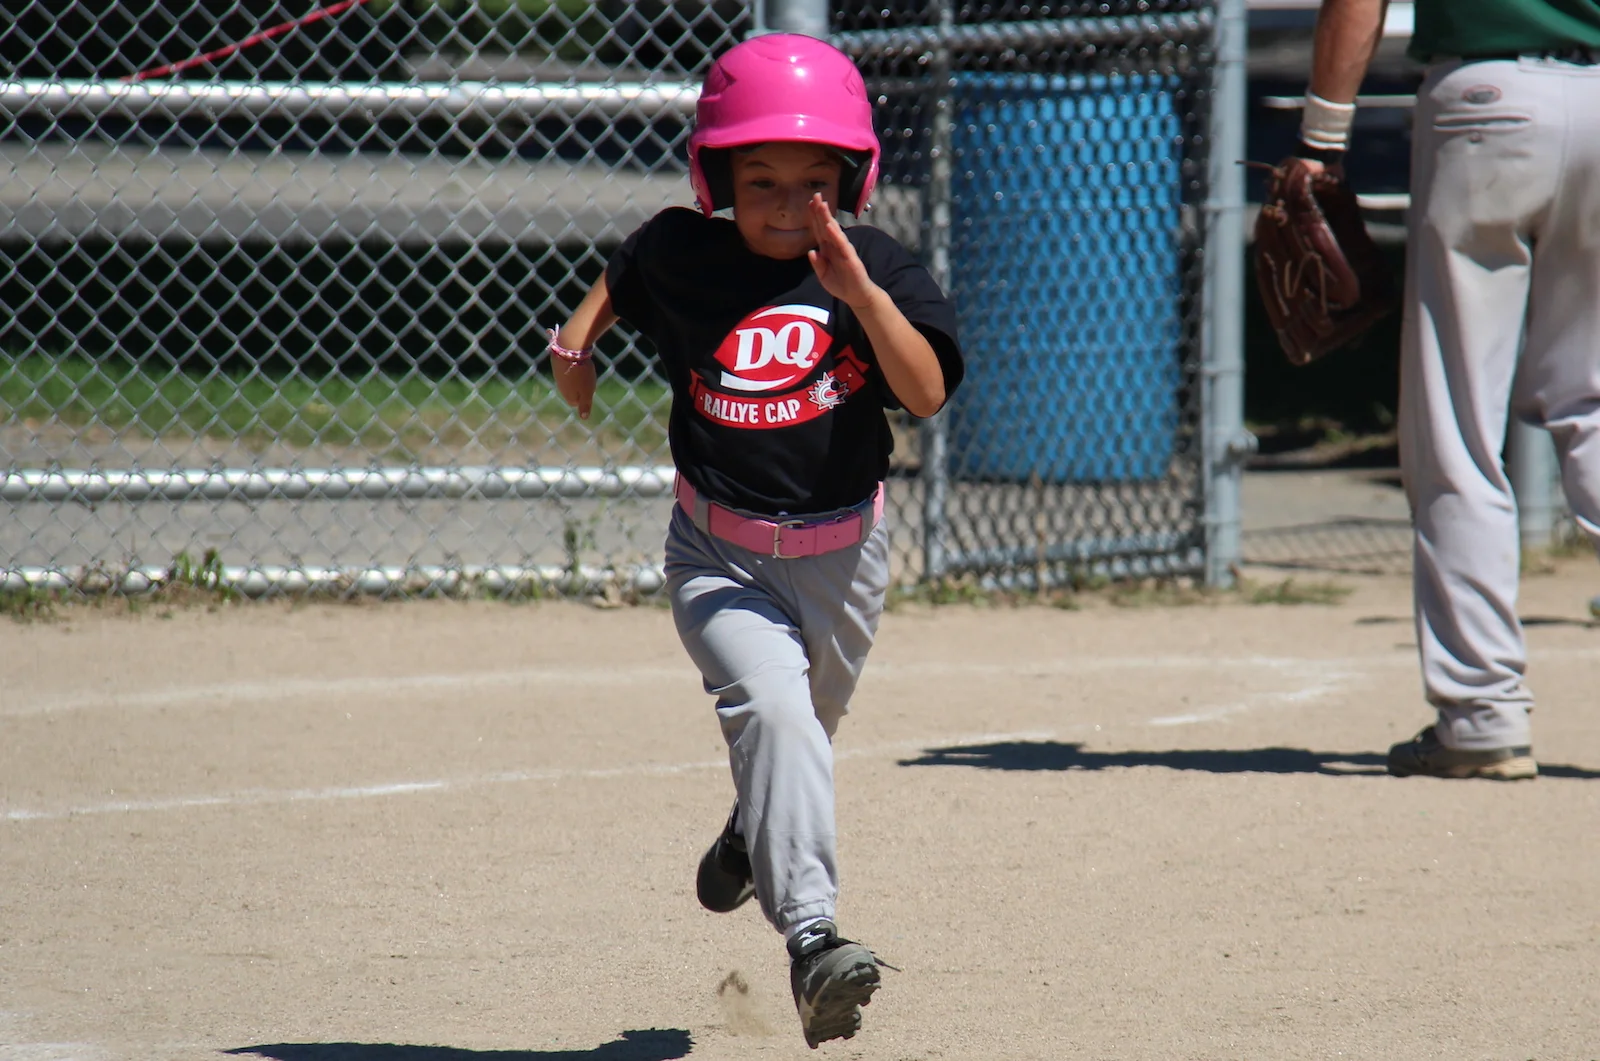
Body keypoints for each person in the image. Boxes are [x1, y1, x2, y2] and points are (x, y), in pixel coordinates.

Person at [547, 33, 964, 1046]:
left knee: (801, 735)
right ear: (715, 177)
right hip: (716, 554)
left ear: (850, 179)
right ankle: (815, 941)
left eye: (811, 182)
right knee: (775, 709)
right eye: (759, 179)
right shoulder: (685, 250)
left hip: (843, 559)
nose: (783, 205)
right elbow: (627, 269)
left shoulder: (880, 271)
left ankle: (752, 830)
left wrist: (859, 293)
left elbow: (926, 392)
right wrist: (575, 341)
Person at [1297, 0, 1600, 779]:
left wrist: (1322, 141)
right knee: (1592, 406)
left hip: (1486, 103)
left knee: (1455, 424)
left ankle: (1481, 713)